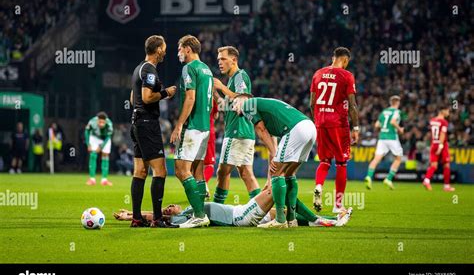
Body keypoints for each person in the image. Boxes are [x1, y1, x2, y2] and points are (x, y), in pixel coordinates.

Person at [234, 95, 316, 229]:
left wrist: (274, 153)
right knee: (289, 175)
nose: (233, 106)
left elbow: (261, 130)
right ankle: (291, 219)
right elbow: (270, 136)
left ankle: (280, 220)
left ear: (244, 98)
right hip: (309, 127)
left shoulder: (247, 104)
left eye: (235, 102)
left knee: (277, 174)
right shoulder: (263, 106)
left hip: (295, 129)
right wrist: (274, 154)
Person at [114, 183, 353, 228]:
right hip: (240, 218)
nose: (170, 207)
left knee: (281, 198)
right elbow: (158, 217)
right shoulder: (184, 219)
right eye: (168, 210)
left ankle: (331, 217)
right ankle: (323, 220)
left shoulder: (192, 209)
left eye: (170, 206)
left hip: (243, 209)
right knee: (277, 188)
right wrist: (132, 216)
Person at [129, 35, 177, 228]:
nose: (165, 51)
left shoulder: (138, 68)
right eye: (164, 48)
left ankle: (136, 218)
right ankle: (157, 219)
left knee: (140, 171)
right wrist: (166, 93)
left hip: (136, 123)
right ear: (158, 50)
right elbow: (147, 97)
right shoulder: (149, 70)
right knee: (161, 171)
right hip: (147, 124)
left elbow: (134, 98)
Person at [170, 35, 214, 228]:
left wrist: (179, 124)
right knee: (197, 172)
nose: (178, 53)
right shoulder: (207, 69)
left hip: (192, 127)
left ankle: (199, 215)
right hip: (205, 128)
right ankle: (199, 211)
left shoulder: (189, 68)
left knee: (181, 170)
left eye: (179, 48)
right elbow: (210, 101)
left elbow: (190, 98)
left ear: (188, 48)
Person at [310, 47, 359, 213]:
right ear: (345, 60)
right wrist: (356, 127)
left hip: (320, 122)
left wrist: (317, 121)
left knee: (324, 161)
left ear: (333, 57)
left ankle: (318, 186)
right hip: (338, 123)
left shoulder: (317, 74)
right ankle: (338, 205)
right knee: (341, 162)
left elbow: (312, 103)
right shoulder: (347, 76)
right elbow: (352, 105)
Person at [212, 46, 261, 204]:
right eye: (218, 59)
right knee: (247, 174)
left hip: (236, 133)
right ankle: (260, 209)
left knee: (222, 172)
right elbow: (225, 105)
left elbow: (243, 99)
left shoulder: (240, 76)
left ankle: (216, 208)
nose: (220, 62)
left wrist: (222, 87)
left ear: (234, 60)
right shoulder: (233, 79)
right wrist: (215, 92)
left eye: (223, 59)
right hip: (246, 133)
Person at [364, 95, 404, 190]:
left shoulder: (384, 112)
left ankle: (369, 176)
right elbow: (393, 122)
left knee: (376, 159)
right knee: (398, 159)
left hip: (382, 138)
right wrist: (400, 129)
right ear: (397, 103)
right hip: (392, 138)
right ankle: (389, 179)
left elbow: (377, 125)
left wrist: (384, 128)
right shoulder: (397, 112)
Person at [422, 106, 455, 191]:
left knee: (434, 165)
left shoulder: (432, 120)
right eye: (447, 110)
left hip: (433, 144)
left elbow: (431, 134)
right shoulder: (444, 122)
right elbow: (442, 134)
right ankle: (446, 186)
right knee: (446, 165)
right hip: (441, 145)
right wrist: (441, 146)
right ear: (442, 111)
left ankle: (426, 180)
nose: (448, 112)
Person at [85, 112, 114, 186]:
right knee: (93, 155)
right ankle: (92, 179)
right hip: (94, 137)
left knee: (105, 155)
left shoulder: (109, 124)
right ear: (97, 120)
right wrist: (88, 144)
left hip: (105, 139)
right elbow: (87, 131)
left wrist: (101, 147)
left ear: (105, 121)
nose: (101, 124)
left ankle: (104, 180)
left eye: (103, 122)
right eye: (100, 122)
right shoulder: (92, 122)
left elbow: (108, 137)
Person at [203, 99, 219, 199]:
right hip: (208, 131)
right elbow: (216, 115)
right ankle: (203, 186)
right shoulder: (211, 98)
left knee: (196, 163)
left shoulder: (193, 94)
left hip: (194, 131)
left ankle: (200, 187)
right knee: (209, 164)